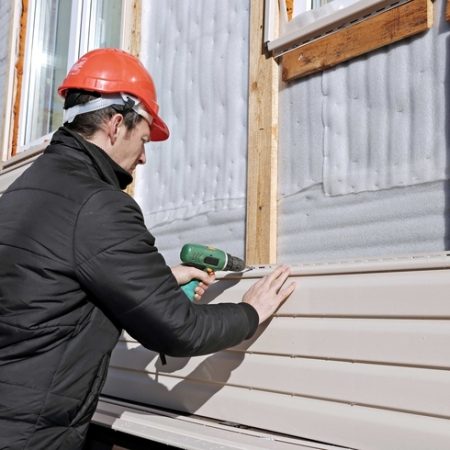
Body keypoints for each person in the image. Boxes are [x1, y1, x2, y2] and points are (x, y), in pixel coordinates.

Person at [0, 48, 296, 449]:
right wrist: (251, 310)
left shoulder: (21, 193)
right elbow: (179, 331)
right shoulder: (99, 204)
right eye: (143, 139)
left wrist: (159, 280)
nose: (143, 157)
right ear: (116, 124)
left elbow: (48, 286)